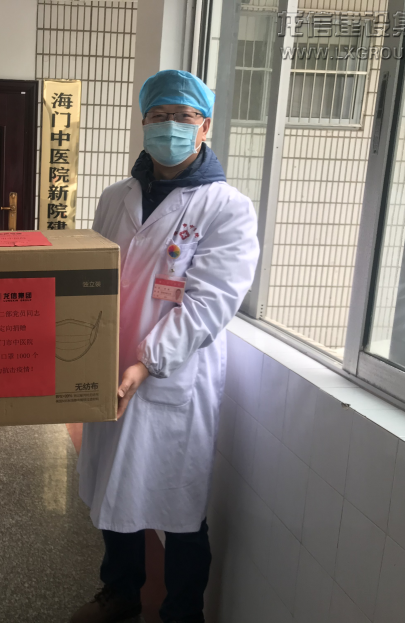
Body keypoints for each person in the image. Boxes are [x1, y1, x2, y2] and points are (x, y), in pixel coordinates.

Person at [70, 70, 260, 623]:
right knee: (113, 483)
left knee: (181, 505)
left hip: (175, 374)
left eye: (183, 116)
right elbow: (94, 279)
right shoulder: (116, 197)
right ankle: (120, 592)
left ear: (205, 126)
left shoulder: (226, 206)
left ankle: (182, 612)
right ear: (143, 122)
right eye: (158, 116)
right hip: (109, 363)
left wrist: (146, 362)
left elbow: (211, 302)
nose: (169, 127)